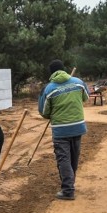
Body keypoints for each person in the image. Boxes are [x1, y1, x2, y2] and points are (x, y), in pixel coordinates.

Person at [38, 59, 89, 200]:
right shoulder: (78, 82)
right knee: (73, 157)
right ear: (63, 69)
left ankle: (68, 190)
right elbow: (86, 97)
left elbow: (43, 112)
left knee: (63, 159)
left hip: (60, 130)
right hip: (78, 127)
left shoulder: (48, 89)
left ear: (51, 73)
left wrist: (52, 113)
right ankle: (70, 184)